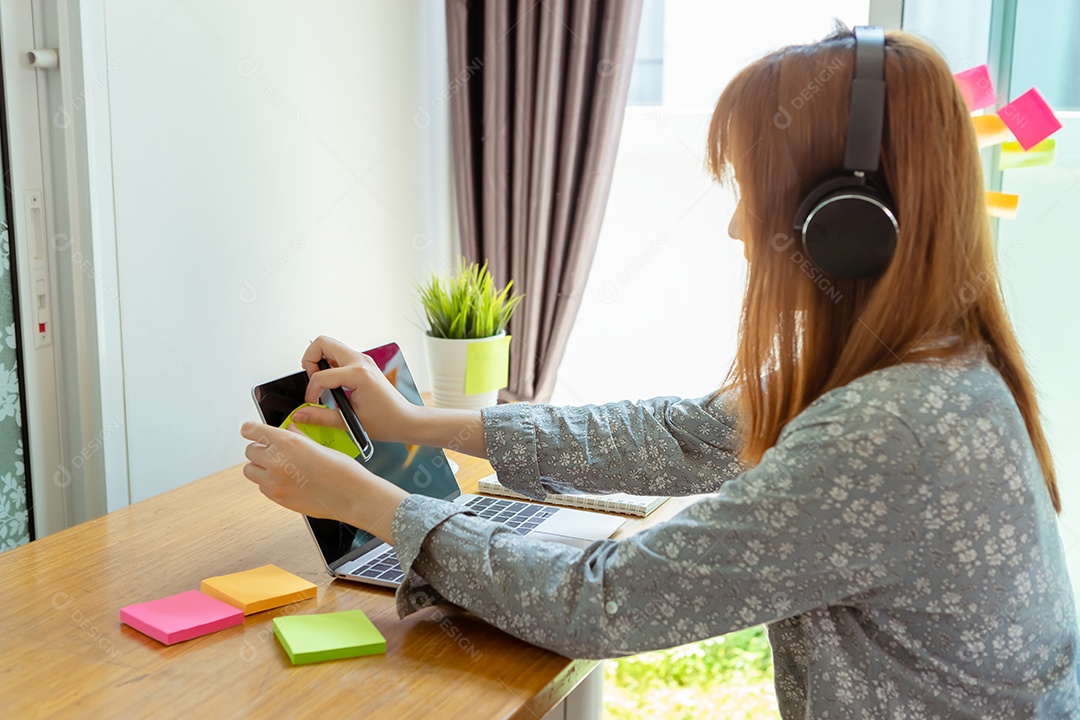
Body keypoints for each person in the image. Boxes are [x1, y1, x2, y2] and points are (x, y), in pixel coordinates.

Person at [240, 27, 1079, 718]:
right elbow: (678, 436)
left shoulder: (888, 429)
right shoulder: (920, 361)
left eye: (752, 191)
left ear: (843, 226)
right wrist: (413, 426)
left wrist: (368, 501)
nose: (741, 230)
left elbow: (604, 602)